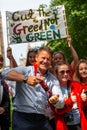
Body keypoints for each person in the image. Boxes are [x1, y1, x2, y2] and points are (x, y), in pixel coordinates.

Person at [1, 46, 64, 130]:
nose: (45, 61)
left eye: (48, 59)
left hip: (41, 118)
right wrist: (25, 78)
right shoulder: (25, 70)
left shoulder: (53, 79)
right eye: (43, 58)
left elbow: (61, 103)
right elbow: (4, 73)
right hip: (22, 118)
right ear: (37, 58)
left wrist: (56, 101)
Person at [49, 61, 87, 130]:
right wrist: (70, 101)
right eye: (62, 72)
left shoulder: (76, 85)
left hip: (80, 124)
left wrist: (84, 100)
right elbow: (57, 111)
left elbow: (82, 107)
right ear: (57, 74)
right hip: (64, 126)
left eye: (67, 71)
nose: (65, 74)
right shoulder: (53, 89)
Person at [0, 55, 10, 130]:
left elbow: (6, 99)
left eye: (1, 60)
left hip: (3, 116)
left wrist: (4, 108)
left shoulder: (2, 79)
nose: (0, 62)